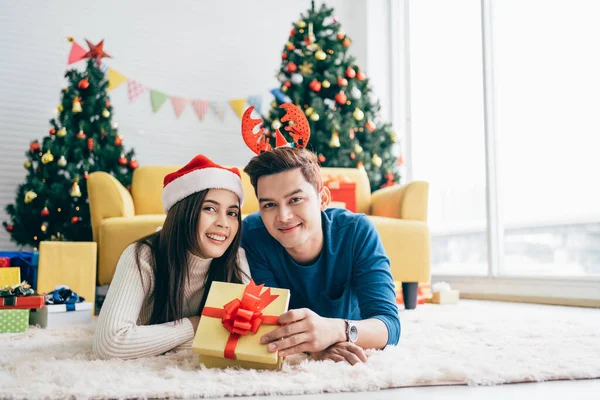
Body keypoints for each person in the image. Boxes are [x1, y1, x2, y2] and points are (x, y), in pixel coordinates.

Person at [241, 147, 400, 365]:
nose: (283, 216)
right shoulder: (252, 234)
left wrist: (336, 330)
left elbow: (389, 326)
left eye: (295, 199)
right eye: (269, 205)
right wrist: (314, 347)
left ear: (322, 198)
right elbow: (270, 321)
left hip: (347, 331)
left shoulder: (357, 231)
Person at [94, 154, 250, 360]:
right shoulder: (141, 256)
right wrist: (194, 325)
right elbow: (110, 345)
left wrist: (161, 341)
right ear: (184, 213)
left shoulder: (236, 259)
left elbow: (246, 340)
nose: (224, 223)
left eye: (232, 213)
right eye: (210, 208)